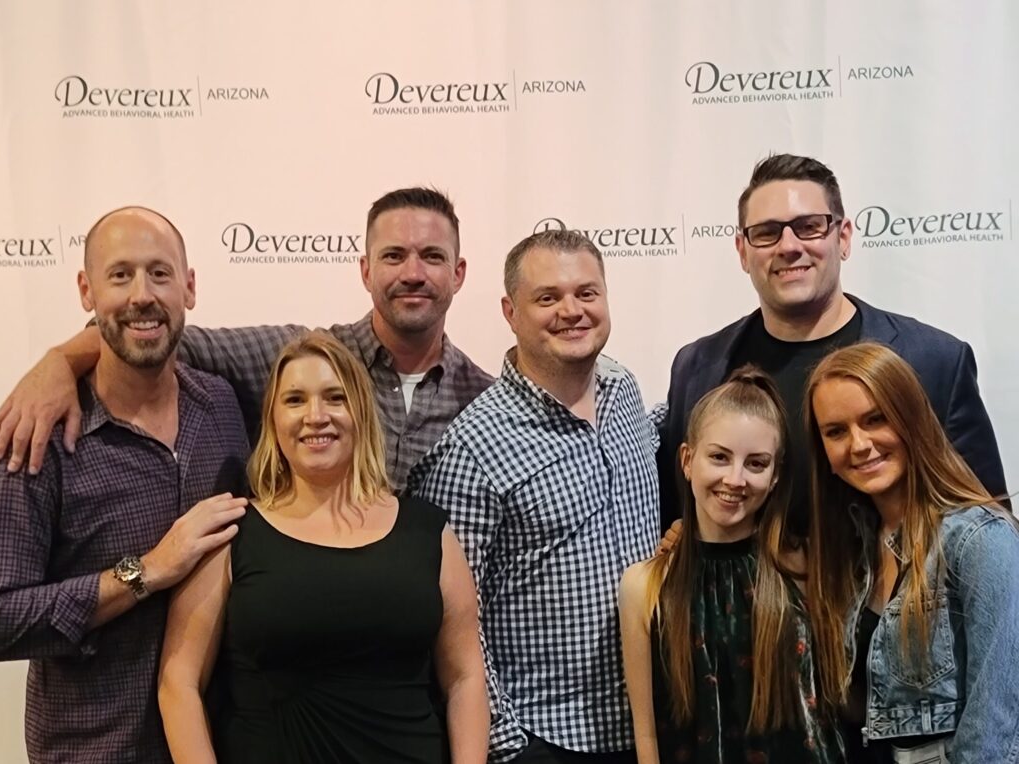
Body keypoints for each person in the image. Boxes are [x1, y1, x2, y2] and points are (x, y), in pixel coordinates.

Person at [0, 187, 493, 489]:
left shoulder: (485, 400)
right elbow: (154, 334)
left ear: (459, 273)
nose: (412, 273)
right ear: (365, 270)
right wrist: (59, 362)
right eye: (393, 256)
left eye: (432, 256)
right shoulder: (298, 359)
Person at [158, 330, 488, 763]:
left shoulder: (429, 532)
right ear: (273, 420)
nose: (316, 416)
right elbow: (179, 682)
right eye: (295, 400)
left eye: (335, 398)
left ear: (361, 412)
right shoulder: (231, 534)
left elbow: (465, 678)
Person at [0, 207, 248, 763]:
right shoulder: (37, 433)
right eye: (119, 275)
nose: (141, 295)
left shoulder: (223, 406)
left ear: (189, 287)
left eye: (159, 273)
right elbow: (1, 617)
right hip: (93, 750)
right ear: (86, 291)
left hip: (215, 744)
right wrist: (146, 571)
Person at [409, 229, 660, 762]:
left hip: (652, 725)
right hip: (547, 737)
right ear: (511, 312)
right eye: (548, 298)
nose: (572, 311)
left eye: (587, 293)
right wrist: (507, 744)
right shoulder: (474, 446)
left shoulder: (625, 391)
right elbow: (450, 619)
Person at [658, 154, 1007, 532]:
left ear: (843, 238)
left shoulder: (935, 361)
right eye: (766, 232)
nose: (788, 246)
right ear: (743, 251)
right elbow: (679, 519)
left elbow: (988, 527)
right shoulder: (697, 368)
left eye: (809, 227)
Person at [806, 342, 1019, 763]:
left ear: (912, 419)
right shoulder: (848, 550)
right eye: (836, 431)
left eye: (876, 419)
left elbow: (997, 729)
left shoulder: (980, 540)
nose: (859, 444)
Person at [620, 368, 842, 764]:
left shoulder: (800, 564)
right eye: (719, 457)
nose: (735, 479)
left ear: (775, 475)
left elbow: (834, 700)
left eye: (756, 464)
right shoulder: (644, 585)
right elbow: (646, 732)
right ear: (688, 460)